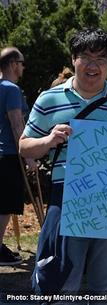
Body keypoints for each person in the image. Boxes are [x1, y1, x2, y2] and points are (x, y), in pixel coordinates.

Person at [19, 28, 107, 297]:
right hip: (66, 200)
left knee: (103, 290)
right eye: (86, 57)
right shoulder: (49, 99)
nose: (93, 65)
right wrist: (49, 139)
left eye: (101, 59)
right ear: (73, 59)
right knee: (64, 288)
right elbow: (24, 146)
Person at [0, 47, 37, 266]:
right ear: (14, 63)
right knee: (5, 206)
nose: (23, 67)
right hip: (8, 154)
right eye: (22, 63)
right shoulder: (11, 89)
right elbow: (16, 124)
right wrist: (29, 156)